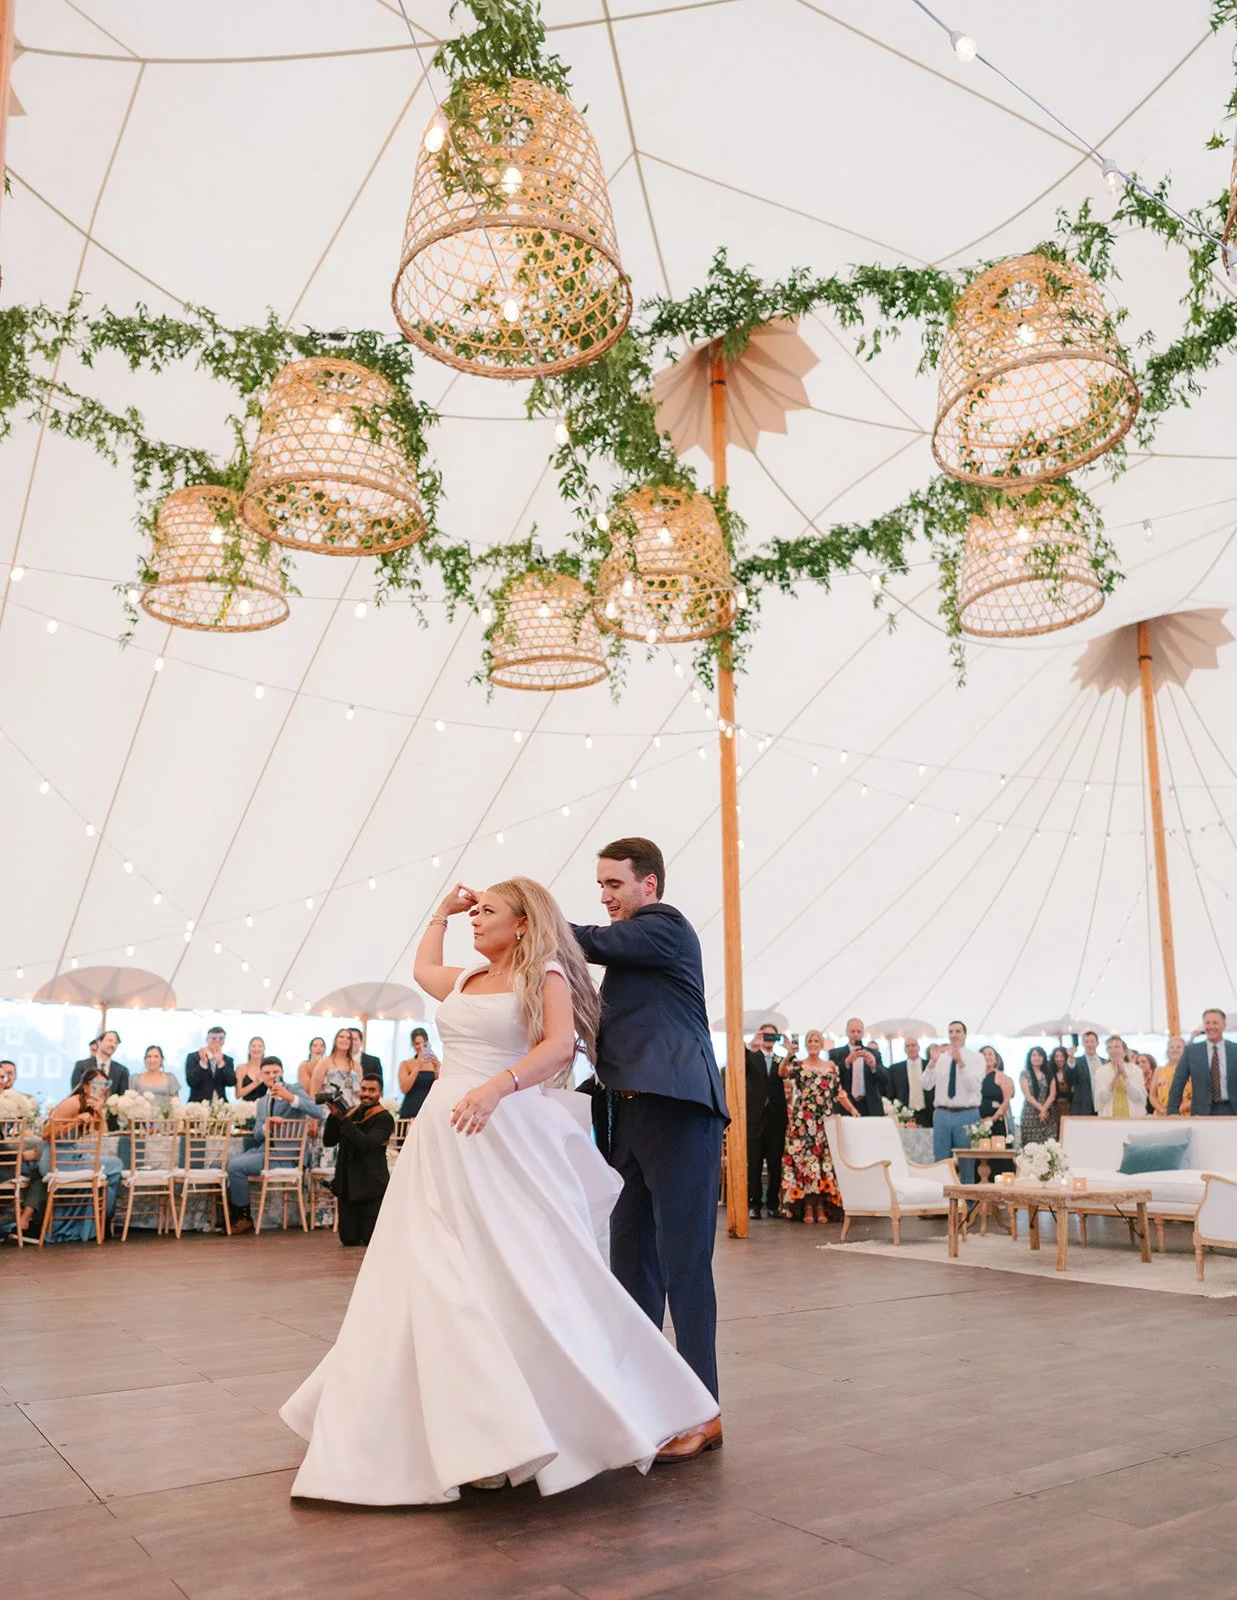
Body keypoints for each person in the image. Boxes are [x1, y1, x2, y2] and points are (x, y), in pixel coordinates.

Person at [281, 873, 718, 1504]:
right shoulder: (461, 980)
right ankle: (462, 1428)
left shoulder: (542, 974)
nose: (475, 920)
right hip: (440, 1139)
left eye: (488, 912)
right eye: (473, 913)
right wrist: (441, 910)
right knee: (431, 1268)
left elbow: (558, 1046)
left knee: (513, 1269)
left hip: (501, 1131)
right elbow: (423, 966)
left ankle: (537, 1419)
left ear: (521, 924)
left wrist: (499, 1087)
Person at [569, 837, 728, 1454]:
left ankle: (704, 1413)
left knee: (686, 1264)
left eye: (614, 884)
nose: (607, 897)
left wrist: (531, 918)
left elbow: (595, 941)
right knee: (631, 1266)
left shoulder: (665, 928)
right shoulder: (632, 960)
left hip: (679, 1112)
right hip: (627, 1116)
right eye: (600, 887)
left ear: (649, 886)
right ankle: (644, 1402)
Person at [228, 1057, 327, 1233]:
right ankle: (229, 1216)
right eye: (267, 1073)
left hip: (286, 1156)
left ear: (282, 1072)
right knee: (219, 1164)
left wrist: (290, 1098)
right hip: (264, 1151)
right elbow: (257, 1135)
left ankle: (243, 1218)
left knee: (235, 1166)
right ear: (261, 1075)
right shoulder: (262, 1101)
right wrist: (268, 1126)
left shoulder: (294, 1090)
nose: (272, 1076)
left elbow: (319, 1111)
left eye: (275, 1072)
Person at [778, 1029, 853, 1224]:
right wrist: (788, 1055)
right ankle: (807, 1207)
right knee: (806, 1163)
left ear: (821, 1044)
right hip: (803, 1120)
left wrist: (853, 1110)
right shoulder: (800, 1065)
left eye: (816, 1040)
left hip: (824, 1120)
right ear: (806, 1044)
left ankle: (822, 1206)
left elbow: (839, 1092)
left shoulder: (830, 1066)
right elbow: (782, 1072)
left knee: (823, 1163)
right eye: (810, 1040)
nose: (813, 1043)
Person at [38, 1066, 123, 1237]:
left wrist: (99, 1111)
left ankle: (100, 1220)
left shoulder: (91, 1104)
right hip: (56, 1159)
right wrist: (76, 1121)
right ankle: (103, 1219)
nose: (101, 1088)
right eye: (96, 1084)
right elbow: (46, 1134)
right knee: (115, 1166)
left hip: (72, 1156)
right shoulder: (74, 1102)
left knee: (113, 1167)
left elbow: (103, 1133)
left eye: (105, 1084)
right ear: (85, 1086)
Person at [322, 1071, 393, 1246]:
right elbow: (329, 1141)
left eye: (372, 1090)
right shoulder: (352, 1112)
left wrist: (343, 1120)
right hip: (349, 1187)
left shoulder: (384, 1118)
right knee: (348, 1239)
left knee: (371, 1239)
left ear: (380, 1093)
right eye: (363, 1089)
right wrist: (334, 1115)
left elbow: (366, 1143)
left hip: (371, 1188)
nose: (366, 1094)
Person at [922, 1020, 985, 1182]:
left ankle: (968, 1205)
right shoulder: (941, 1058)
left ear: (965, 1034)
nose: (954, 1035)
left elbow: (973, 1085)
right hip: (942, 1113)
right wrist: (932, 1062)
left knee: (967, 1161)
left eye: (958, 1031)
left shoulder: (976, 1058)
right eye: (951, 1031)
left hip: (967, 1114)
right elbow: (926, 1084)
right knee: (941, 1161)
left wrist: (960, 1062)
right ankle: (942, 1203)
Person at [744, 1022, 790, 1219]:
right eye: (766, 1036)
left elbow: (788, 1073)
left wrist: (789, 1052)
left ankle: (773, 1204)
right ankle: (754, 1204)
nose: (769, 1040)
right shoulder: (751, 1057)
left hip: (776, 1118)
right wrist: (751, 1045)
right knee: (754, 1162)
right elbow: (738, 1067)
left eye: (772, 1036)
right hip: (754, 1117)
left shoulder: (782, 1059)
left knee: (774, 1163)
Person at [1169, 1009, 1237, 1116]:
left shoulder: (1235, 1050)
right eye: (1207, 1023)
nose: (1211, 1027)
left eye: (1215, 1023)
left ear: (1224, 1025)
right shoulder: (1191, 1051)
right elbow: (1178, 1082)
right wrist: (1172, 1111)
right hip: (1201, 1112)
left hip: (1232, 1110)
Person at [829, 1020, 885, 1116]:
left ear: (863, 1033)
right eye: (852, 1031)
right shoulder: (836, 1053)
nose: (855, 1034)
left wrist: (873, 1067)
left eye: (858, 1031)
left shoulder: (874, 1053)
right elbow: (832, 1078)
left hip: (869, 1106)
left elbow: (885, 1079)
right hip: (845, 1105)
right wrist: (846, 1062)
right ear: (847, 1032)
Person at [887, 1037, 932, 1128]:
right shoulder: (895, 1069)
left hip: (928, 1114)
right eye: (908, 1046)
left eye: (913, 1045)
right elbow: (891, 1093)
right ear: (904, 1049)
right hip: (905, 1115)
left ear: (918, 1048)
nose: (911, 1048)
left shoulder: (929, 1066)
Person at [1095, 1036, 1146, 1117]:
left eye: (1117, 1047)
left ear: (1125, 1051)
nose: (1113, 1050)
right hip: (1109, 1117)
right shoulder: (1100, 1071)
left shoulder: (1136, 1070)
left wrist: (1124, 1074)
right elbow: (1103, 1099)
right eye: (1109, 1047)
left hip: (1133, 1117)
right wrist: (1115, 1077)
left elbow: (1136, 1097)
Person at [311, 1029, 363, 1108]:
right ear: (335, 1041)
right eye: (341, 1037)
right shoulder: (324, 1063)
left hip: (353, 1110)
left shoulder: (356, 1065)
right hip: (330, 1110)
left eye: (348, 1038)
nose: (345, 1040)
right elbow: (314, 1093)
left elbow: (359, 1092)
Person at [396, 1027, 439, 1118]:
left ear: (428, 1043)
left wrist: (437, 1067)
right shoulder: (406, 1064)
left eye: (423, 1043)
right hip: (411, 1108)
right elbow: (404, 1089)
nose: (420, 1046)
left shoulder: (436, 1063)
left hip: (430, 1109)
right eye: (417, 1044)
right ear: (412, 1045)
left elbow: (441, 1087)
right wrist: (417, 1068)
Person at [185, 1027, 236, 1102]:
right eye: (213, 1038)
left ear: (224, 1041)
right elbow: (191, 1081)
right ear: (207, 1039)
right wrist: (202, 1063)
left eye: (221, 1038)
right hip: (198, 1105)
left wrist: (221, 1063)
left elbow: (231, 1082)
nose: (217, 1041)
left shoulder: (228, 1060)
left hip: (220, 1106)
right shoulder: (193, 1057)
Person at [1020, 1047, 1056, 1146]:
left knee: (1049, 1147)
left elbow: (1052, 1095)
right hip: (1030, 1114)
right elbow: (1028, 1096)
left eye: (1040, 1055)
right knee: (1031, 1148)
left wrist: (1044, 1110)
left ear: (1044, 1058)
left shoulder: (1049, 1074)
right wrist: (1042, 1110)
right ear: (1030, 1058)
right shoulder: (1025, 1074)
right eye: (1034, 1055)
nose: (1037, 1058)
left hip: (1048, 1114)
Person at [130, 1046, 181, 1112]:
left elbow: (175, 1104)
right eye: (149, 1057)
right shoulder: (135, 1078)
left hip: (165, 1120)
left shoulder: (170, 1077)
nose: (152, 1060)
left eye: (156, 1056)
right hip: (141, 1120)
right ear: (145, 1059)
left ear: (162, 1059)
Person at [979, 1047, 1014, 1137]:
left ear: (995, 1059)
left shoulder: (1001, 1076)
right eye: (984, 1054)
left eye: (990, 1054)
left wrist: (992, 1119)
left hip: (997, 1120)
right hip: (978, 1121)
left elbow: (1006, 1100)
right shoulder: (975, 1077)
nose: (987, 1057)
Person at [1151, 1035, 1189, 1115]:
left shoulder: (1191, 1070)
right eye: (1171, 1047)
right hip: (1161, 1115)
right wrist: (1161, 1110)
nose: (1175, 1049)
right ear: (1167, 1051)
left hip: (1184, 1115)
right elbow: (1152, 1096)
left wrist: (1177, 1110)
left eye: (1178, 1047)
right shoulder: (1159, 1070)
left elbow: (1197, 1096)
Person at [1069, 1031, 1102, 1116]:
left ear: (1097, 1043)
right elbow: (1069, 1079)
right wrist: (1071, 1059)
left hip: (1102, 1106)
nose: (1089, 1044)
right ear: (1083, 1044)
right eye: (1086, 1042)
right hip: (1083, 1107)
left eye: (1092, 1041)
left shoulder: (1104, 1062)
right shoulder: (1076, 1062)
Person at [1049, 1045, 1073, 1132]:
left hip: (1070, 1108)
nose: (1059, 1059)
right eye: (1057, 1056)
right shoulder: (1050, 1072)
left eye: (1062, 1056)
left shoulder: (1070, 1071)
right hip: (1054, 1108)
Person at [236, 1036, 266, 1101]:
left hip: (264, 1107)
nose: (256, 1049)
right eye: (254, 1046)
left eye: (260, 1046)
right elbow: (238, 1094)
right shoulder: (241, 1068)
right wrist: (257, 1082)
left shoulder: (267, 1068)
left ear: (264, 1049)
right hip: (246, 1107)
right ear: (249, 1049)